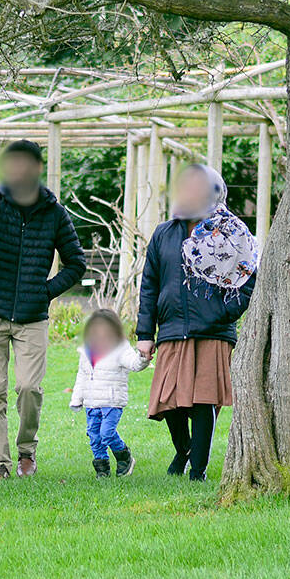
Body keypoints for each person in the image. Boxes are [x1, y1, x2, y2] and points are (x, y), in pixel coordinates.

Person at [0, 138, 87, 480]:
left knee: (29, 387)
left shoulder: (54, 212)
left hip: (32, 317)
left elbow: (76, 263)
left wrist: (44, 292)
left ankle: (26, 451)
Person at [136, 162, 259, 482]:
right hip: (172, 328)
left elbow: (249, 277)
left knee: (204, 401)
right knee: (169, 400)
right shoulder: (164, 233)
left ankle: (198, 471)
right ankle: (184, 450)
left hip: (214, 331)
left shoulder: (231, 233)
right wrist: (145, 333)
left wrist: (225, 312)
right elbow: (149, 285)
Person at [68, 308, 146, 478]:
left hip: (111, 401)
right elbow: (82, 375)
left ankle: (124, 457)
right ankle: (102, 469)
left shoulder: (120, 348)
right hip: (91, 402)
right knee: (94, 437)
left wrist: (143, 357)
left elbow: (134, 363)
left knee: (107, 433)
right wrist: (76, 398)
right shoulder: (87, 350)